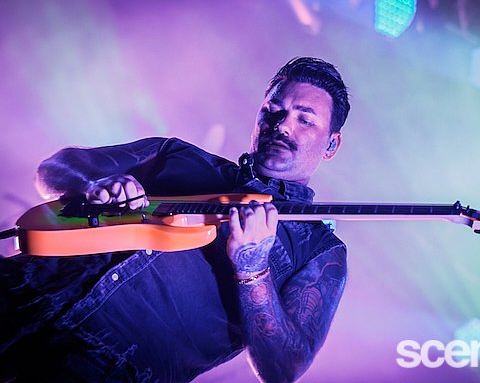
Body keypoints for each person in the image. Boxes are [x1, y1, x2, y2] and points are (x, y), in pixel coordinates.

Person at [0, 57, 350, 382]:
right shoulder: (176, 153)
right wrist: (94, 184)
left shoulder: (319, 250)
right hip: (17, 291)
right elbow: (54, 169)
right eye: (272, 110)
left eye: (305, 119)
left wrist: (253, 270)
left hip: (106, 368)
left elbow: (282, 369)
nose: (282, 125)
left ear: (332, 145)